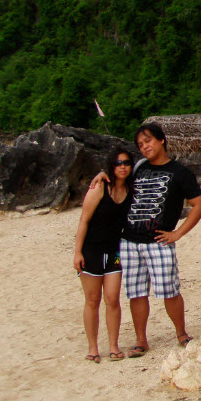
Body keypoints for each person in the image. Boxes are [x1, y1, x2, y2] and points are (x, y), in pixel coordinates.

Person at [114, 123, 201, 357]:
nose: (145, 147)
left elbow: (199, 204)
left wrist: (178, 233)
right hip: (129, 240)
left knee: (169, 289)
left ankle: (181, 334)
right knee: (136, 292)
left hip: (159, 241)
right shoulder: (138, 169)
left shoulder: (180, 172)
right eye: (140, 144)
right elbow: (116, 179)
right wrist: (102, 174)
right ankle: (141, 340)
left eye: (148, 141)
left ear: (161, 140)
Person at [73, 148, 134, 363]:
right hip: (91, 250)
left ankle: (114, 346)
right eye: (118, 163)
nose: (122, 167)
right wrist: (77, 252)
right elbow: (84, 220)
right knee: (92, 300)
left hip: (115, 252)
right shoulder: (100, 187)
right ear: (111, 166)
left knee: (112, 299)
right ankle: (93, 348)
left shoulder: (131, 189)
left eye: (126, 163)